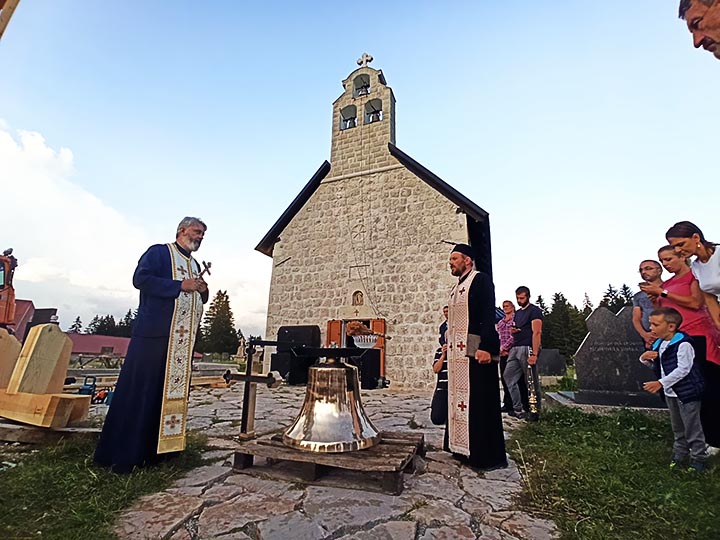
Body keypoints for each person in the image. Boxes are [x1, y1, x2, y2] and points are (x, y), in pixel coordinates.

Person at [94, 217, 209, 473]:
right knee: (141, 393)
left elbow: (196, 295)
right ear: (181, 230)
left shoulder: (194, 264)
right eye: (196, 231)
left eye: (203, 234)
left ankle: (161, 452)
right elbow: (141, 279)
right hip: (153, 337)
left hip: (178, 344)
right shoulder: (159, 253)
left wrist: (202, 289)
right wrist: (180, 285)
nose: (200, 236)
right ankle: (126, 454)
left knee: (164, 396)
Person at [445, 243, 506, 470]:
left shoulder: (479, 280)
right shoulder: (456, 288)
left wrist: (486, 347)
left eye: (454, 258)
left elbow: (487, 313)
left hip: (475, 351)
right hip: (457, 355)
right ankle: (462, 448)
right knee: (463, 403)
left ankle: (485, 455)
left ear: (467, 260)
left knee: (480, 402)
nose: (450, 263)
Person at [640, 307, 708, 471]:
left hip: (687, 393)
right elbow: (658, 365)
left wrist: (660, 383)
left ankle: (699, 459)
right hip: (671, 393)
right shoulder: (659, 344)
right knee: (678, 427)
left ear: (671, 326)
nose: (651, 329)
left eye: (655, 324)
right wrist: (644, 358)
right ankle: (679, 455)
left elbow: (683, 369)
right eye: (651, 324)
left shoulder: (683, 344)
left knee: (692, 427)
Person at [503, 286, 543, 421]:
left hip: (527, 347)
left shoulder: (534, 311)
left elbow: (537, 332)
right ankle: (518, 408)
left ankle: (534, 411)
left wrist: (535, 354)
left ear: (528, 296)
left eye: (522, 298)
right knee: (508, 376)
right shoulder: (518, 313)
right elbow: (516, 327)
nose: (519, 301)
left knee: (530, 381)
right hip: (515, 347)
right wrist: (514, 331)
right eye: (518, 298)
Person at [496, 300, 528, 413]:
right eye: (504, 306)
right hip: (503, 353)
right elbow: (498, 336)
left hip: (514, 351)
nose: (505, 308)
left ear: (513, 307)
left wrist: (504, 348)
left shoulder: (516, 319)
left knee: (517, 380)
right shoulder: (500, 323)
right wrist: (500, 349)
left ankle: (523, 404)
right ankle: (508, 403)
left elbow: (513, 336)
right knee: (506, 379)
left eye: (508, 306)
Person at [633, 260, 663, 348]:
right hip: (649, 337)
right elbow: (636, 318)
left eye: (648, 268)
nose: (644, 272)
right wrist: (645, 335)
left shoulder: (669, 288)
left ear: (659, 270)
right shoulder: (638, 296)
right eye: (641, 270)